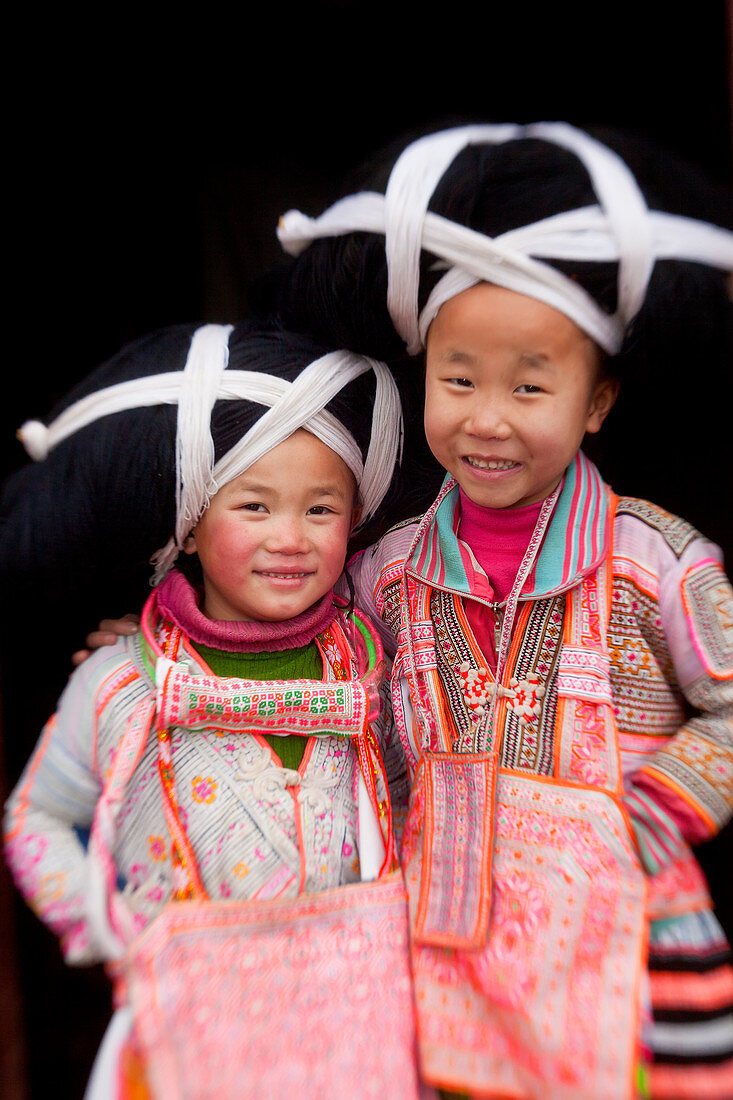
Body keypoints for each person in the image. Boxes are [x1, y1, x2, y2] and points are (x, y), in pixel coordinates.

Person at [270, 123, 733, 1099]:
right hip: (439, 937)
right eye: (457, 380)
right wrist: (157, 651)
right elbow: (314, 664)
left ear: (597, 399)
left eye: (529, 384)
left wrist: (640, 821)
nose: (486, 416)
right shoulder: (388, 569)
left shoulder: (654, 560)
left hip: (628, 934)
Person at [2, 320, 416, 1097]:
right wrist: (107, 932)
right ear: (190, 526)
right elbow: (36, 820)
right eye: (254, 508)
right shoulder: (123, 684)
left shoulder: (368, 672)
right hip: (187, 1045)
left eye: (320, 510)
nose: (289, 538)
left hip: (358, 1043)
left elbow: (403, 804)